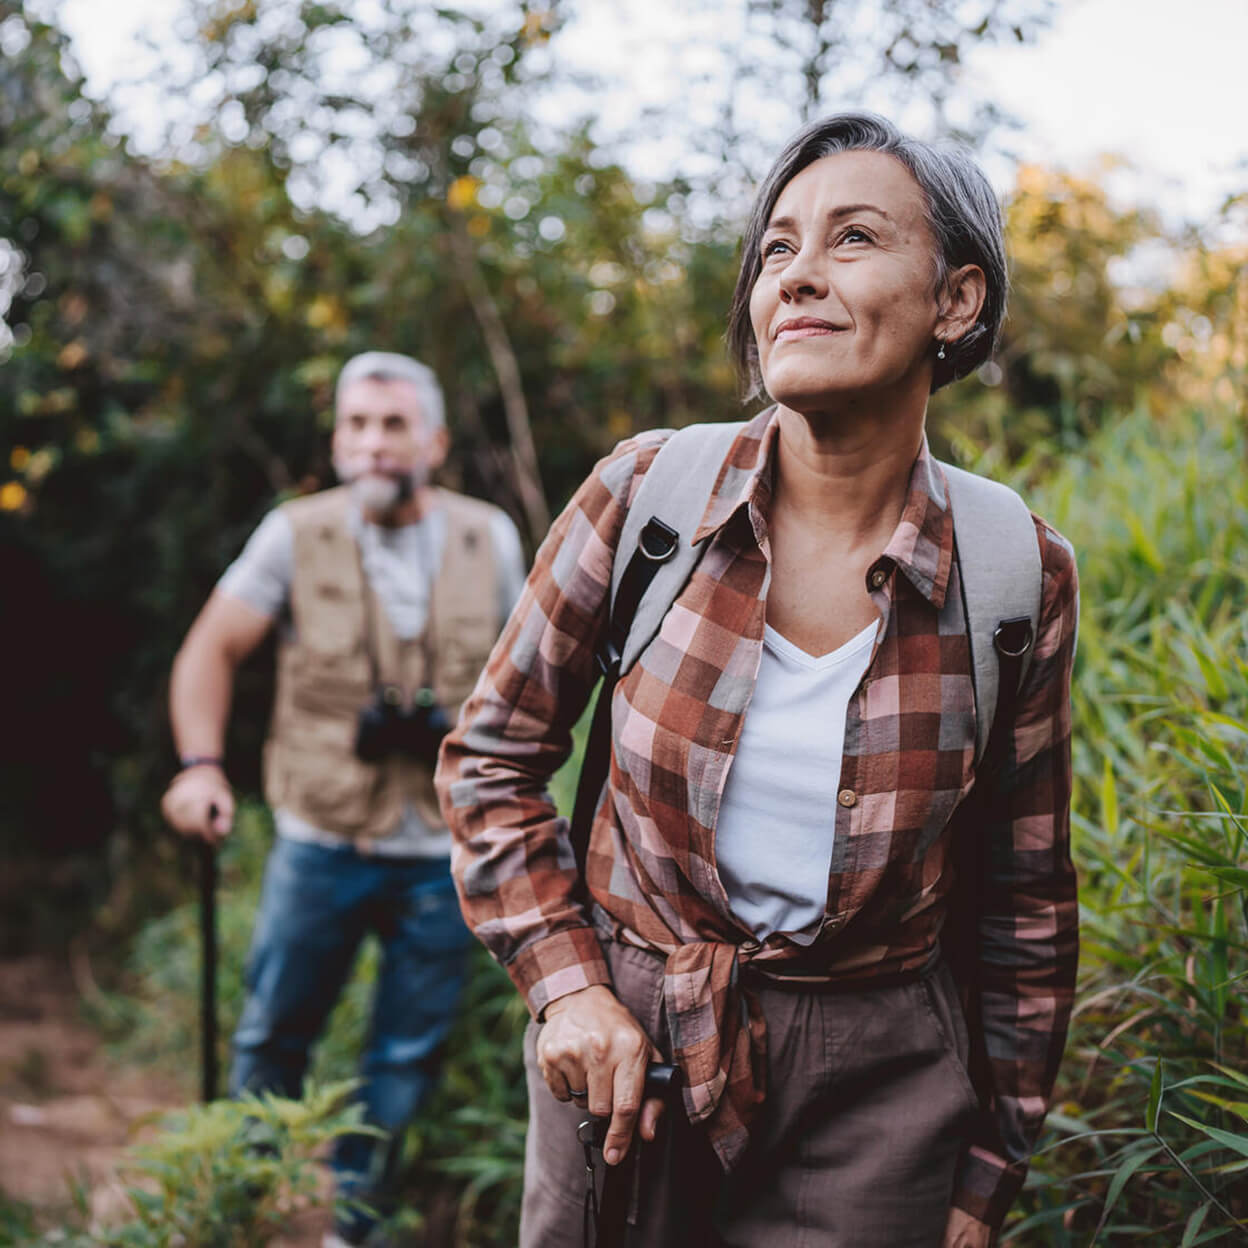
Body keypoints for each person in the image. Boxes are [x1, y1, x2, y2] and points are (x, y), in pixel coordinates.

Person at [437, 113, 1079, 1248]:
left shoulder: (1013, 571)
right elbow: (493, 758)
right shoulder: (648, 498)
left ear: (957, 301)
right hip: (626, 1056)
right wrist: (569, 986)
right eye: (778, 249)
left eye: (853, 239)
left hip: (881, 1082)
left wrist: (990, 1167)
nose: (799, 278)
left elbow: (1028, 899)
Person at [161, 351, 527, 1248]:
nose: (373, 444)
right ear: (336, 440)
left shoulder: (492, 538)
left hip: (445, 852)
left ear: (434, 441)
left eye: (393, 425)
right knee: (272, 1035)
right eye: (356, 425)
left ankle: (351, 1232)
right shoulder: (295, 532)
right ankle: (241, 1209)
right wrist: (201, 764)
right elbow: (208, 650)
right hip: (319, 837)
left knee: (404, 1059)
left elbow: (528, 685)